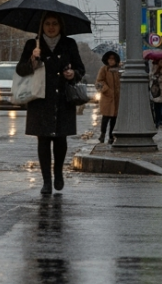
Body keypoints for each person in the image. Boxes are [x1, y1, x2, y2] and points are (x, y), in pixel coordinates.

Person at [15, 14, 85, 195]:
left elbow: (80, 69)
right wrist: (33, 60)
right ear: (42, 26)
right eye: (47, 24)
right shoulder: (33, 44)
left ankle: (59, 173)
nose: (51, 27)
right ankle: (46, 181)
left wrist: (72, 74)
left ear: (61, 26)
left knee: (61, 139)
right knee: (43, 140)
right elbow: (20, 69)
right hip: (41, 99)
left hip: (63, 98)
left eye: (55, 24)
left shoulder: (69, 44)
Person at [95, 51, 121, 143]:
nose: (111, 61)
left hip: (117, 98)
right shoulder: (104, 69)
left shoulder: (119, 69)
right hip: (107, 98)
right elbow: (99, 82)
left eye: (113, 59)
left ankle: (111, 136)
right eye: (109, 59)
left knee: (114, 118)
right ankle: (102, 134)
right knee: (105, 117)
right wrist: (107, 90)